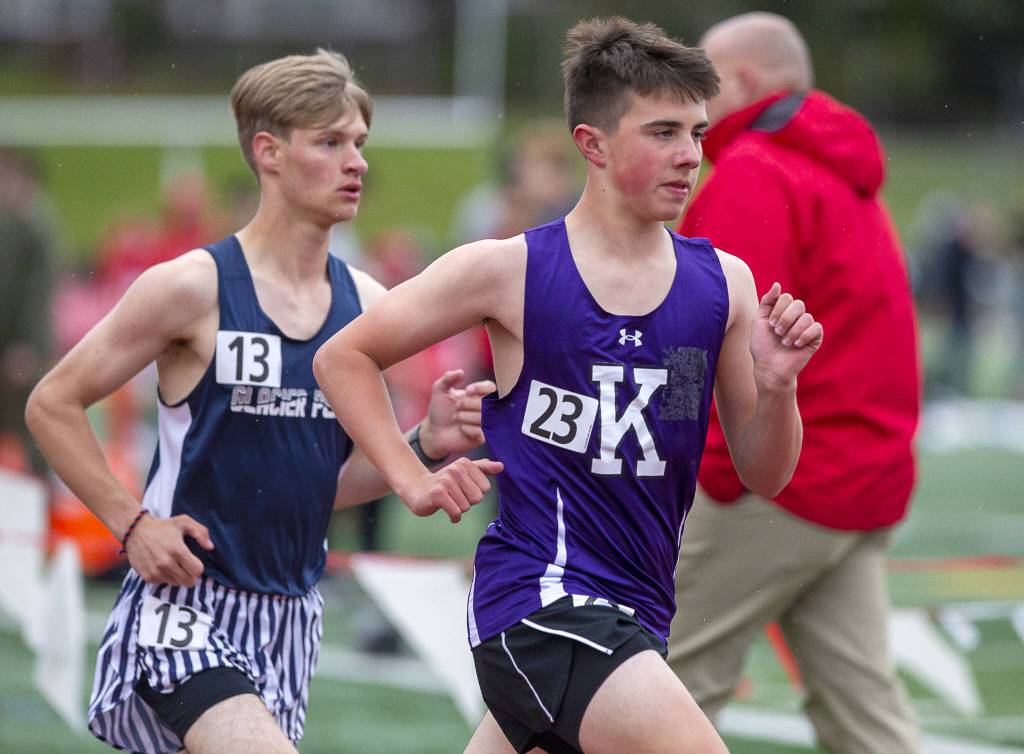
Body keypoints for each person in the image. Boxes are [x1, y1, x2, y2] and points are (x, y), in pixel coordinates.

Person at [314, 17, 824, 754]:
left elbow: (765, 474)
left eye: (698, 133)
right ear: (593, 144)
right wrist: (409, 477)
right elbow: (344, 358)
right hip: (539, 603)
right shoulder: (509, 270)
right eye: (662, 133)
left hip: (640, 613)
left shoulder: (725, 284)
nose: (690, 157)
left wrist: (778, 390)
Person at [25, 49, 494, 754]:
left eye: (360, 144)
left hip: (287, 618)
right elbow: (51, 403)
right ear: (269, 152)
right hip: (182, 608)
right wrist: (131, 525)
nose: (356, 163)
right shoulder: (192, 288)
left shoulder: (367, 309)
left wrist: (421, 443)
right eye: (331, 143)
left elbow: (322, 487)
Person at [668, 12, 921, 754]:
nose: (695, 112)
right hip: (860, 478)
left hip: (781, 486)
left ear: (741, 81)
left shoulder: (756, 172)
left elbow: (724, 336)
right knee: (865, 719)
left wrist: (712, 475)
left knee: (652, 686)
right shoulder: (848, 179)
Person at [0, 148, 57, 477]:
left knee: (30, 427)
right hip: (10, 343)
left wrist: (28, 345)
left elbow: (38, 292)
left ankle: (39, 509)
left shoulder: (36, 225)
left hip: (20, 349)